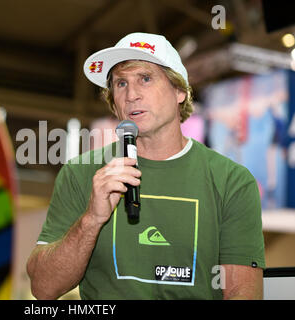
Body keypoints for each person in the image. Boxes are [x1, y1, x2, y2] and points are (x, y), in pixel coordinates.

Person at [26, 32, 265, 300]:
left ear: (179, 91)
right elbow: (44, 288)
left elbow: (242, 292)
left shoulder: (231, 181)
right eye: (120, 84)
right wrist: (91, 219)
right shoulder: (81, 173)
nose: (131, 95)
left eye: (146, 79)